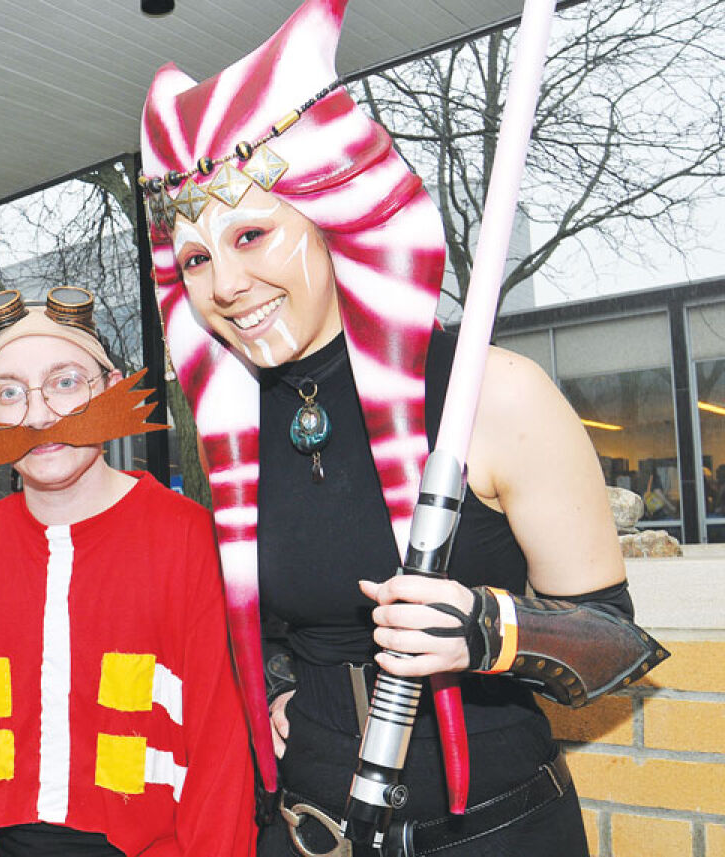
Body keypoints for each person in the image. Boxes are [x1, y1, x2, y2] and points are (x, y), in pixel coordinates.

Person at [138, 1, 668, 854]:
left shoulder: (491, 391)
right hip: (309, 831)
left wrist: (489, 630)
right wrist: (283, 680)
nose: (226, 284)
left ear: (331, 217)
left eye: (252, 233)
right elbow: (285, 614)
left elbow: (618, 647)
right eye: (197, 257)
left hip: (493, 832)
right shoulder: (235, 426)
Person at [0, 286, 256, 856]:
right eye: (9, 393)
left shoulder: (190, 541)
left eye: (65, 382)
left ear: (109, 385)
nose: (42, 414)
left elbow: (219, 762)